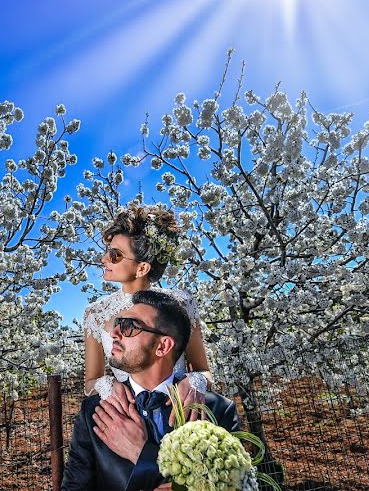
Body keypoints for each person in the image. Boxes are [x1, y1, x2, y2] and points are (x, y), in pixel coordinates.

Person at [62, 290, 240, 491]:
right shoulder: (95, 411)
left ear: (163, 346)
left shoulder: (216, 410)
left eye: (130, 326)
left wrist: (141, 454)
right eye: (118, 323)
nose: (114, 333)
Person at [84, 204, 213, 424]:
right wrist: (108, 385)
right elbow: (90, 382)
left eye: (115, 255)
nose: (104, 259)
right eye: (108, 252)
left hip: (183, 414)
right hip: (126, 418)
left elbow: (204, 372)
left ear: (142, 268)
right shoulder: (95, 314)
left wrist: (195, 382)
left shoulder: (182, 303)